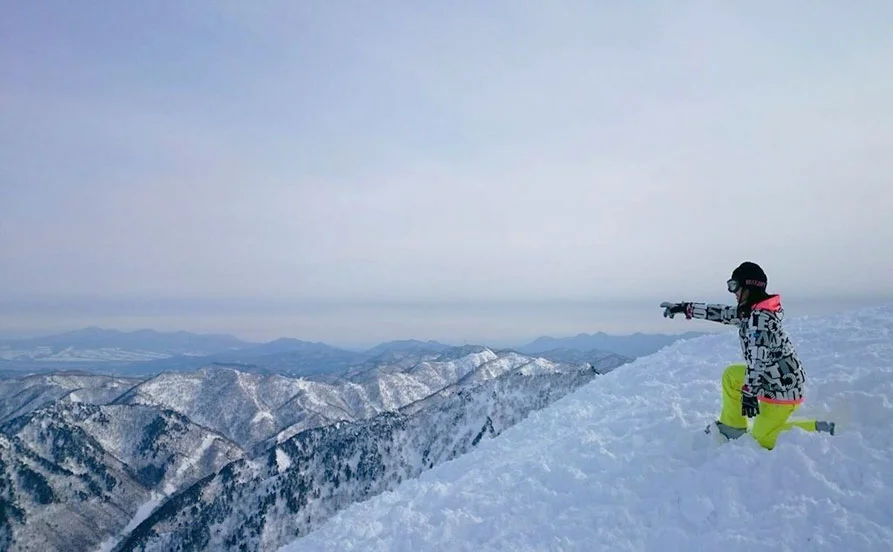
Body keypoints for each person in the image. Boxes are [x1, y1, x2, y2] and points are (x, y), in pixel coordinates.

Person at [660, 261, 834, 450]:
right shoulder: (750, 313)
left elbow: (758, 360)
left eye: (735, 286)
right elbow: (720, 313)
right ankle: (732, 427)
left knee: (762, 439)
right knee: (732, 376)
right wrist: (685, 308)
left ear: (750, 287)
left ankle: (819, 430)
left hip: (783, 388)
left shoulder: (760, 319)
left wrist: (750, 393)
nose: (733, 292)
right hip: (770, 377)